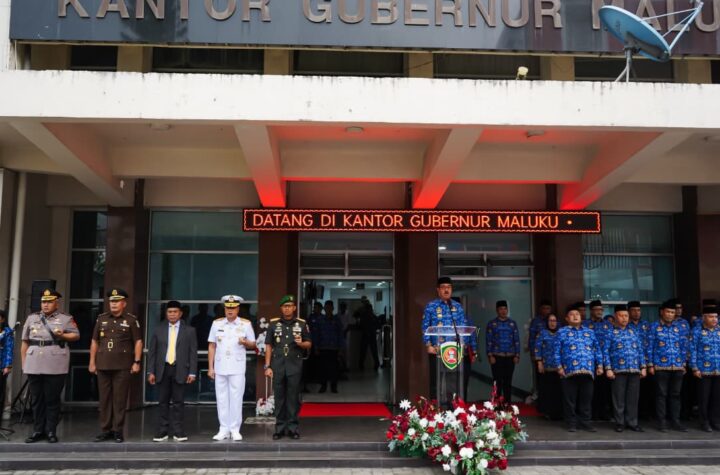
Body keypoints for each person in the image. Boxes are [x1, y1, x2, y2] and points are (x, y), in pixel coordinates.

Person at [20, 290, 79, 443]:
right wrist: (24, 363)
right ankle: (38, 430)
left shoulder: (65, 318)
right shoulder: (32, 318)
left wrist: (62, 335)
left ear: (56, 303)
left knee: (52, 399)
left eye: (49, 302)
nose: (45, 305)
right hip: (34, 362)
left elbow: (75, 335)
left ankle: (51, 430)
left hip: (55, 363)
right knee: (36, 399)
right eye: (43, 302)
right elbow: (25, 341)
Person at [90, 288, 143, 443]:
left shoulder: (131, 320)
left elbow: (138, 342)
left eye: (117, 301)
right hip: (103, 364)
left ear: (124, 303)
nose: (113, 304)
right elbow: (94, 341)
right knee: (104, 399)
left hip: (122, 366)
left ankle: (117, 430)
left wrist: (137, 361)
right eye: (111, 301)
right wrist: (92, 362)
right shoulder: (101, 319)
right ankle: (105, 430)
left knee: (120, 399)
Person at [147, 301, 198, 442]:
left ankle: (178, 431)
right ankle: (162, 431)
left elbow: (193, 353)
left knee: (178, 402)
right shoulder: (158, 329)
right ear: (166, 313)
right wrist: (150, 371)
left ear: (180, 313)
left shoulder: (189, 330)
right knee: (162, 401)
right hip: (162, 369)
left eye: (175, 312)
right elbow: (152, 352)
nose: (172, 314)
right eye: (170, 312)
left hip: (180, 369)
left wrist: (192, 372)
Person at [208, 295, 256, 442]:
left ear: (238, 309)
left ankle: (235, 429)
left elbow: (253, 344)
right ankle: (223, 429)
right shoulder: (217, 324)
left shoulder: (245, 324)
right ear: (224, 309)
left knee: (236, 398)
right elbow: (212, 345)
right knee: (221, 398)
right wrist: (210, 367)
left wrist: (245, 342)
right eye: (228, 308)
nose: (230, 310)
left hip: (237, 367)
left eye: (233, 308)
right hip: (220, 366)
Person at [421, 277, 478, 403]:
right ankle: (435, 409)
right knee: (436, 382)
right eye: (443, 287)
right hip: (437, 350)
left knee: (452, 383)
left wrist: (463, 344)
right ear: (438, 290)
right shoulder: (431, 306)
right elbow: (425, 327)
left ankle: (453, 408)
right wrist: (428, 345)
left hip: (453, 351)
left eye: (449, 287)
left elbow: (463, 327)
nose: (446, 290)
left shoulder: (457, 307)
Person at [264, 295, 312, 440]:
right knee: (279, 398)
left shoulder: (301, 324)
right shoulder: (273, 324)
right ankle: (279, 428)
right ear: (281, 308)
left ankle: (292, 428)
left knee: (293, 398)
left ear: (294, 308)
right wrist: (267, 366)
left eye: (290, 306)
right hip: (278, 365)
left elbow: (309, 344)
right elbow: (268, 345)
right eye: (285, 306)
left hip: (294, 366)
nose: (287, 308)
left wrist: (301, 343)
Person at [554, 306, 603, 432]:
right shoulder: (562, 332)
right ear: (566, 318)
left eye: (577, 314)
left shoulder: (589, 332)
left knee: (586, 398)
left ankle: (585, 422)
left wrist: (600, 365)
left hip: (587, 370)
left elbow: (597, 349)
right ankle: (571, 423)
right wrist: (559, 367)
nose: (575, 316)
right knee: (570, 399)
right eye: (572, 314)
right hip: (568, 371)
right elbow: (556, 351)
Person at [647, 300, 689, 432]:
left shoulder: (679, 328)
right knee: (661, 395)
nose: (670, 314)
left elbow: (683, 347)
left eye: (672, 312)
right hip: (660, 366)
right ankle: (662, 422)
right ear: (662, 312)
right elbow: (649, 347)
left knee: (676, 395)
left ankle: (676, 421)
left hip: (677, 366)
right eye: (668, 312)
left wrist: (683, 364)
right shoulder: (654, 327)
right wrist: (650, 365)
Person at [604, 304, 647, 432]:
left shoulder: (634, 332)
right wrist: (608, 368)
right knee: (619, 398)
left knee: (633, 398)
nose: (624, 318)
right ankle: (620, 422)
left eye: (626, 316)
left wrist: (643, 366)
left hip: (634, 369)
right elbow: (605, 352)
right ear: (615, 316)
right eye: (621, 316)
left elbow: (640, 351)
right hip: (618, 370)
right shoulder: (610, 333)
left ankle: (632, 422)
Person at [690, 306, 720, 432]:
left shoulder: (719, 330)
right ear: (704, 318)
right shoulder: (697, 331)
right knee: (704, 398)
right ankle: (704, 422)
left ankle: (715, 421)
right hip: (703, 370)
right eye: (711, 317)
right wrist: (694, 367)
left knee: (717, 398)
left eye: (716, 317)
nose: (714, 319)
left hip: (718, 369)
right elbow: (692, 350)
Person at [486, 300, 520, 403]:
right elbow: (488, 340)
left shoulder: (512, 323)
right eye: (501, 309)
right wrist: (490, 355)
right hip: (497, 357)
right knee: (497, 382)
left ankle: (507, 404)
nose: (503, 311)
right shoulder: (492, 324)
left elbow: (516, 340)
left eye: (505, 309)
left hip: (510, 357)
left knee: (508, 381)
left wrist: (517, 355)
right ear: (497, 310)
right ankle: (497, 404)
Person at [586, 300, 612, 421]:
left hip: (606, 361)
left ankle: (604, 412)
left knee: (605, 389)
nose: (599, 312)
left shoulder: (608, 324)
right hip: (591, 361)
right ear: (591, 310)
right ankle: (593, 413)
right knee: (592, 389)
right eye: (597, 309)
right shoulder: (585, 324)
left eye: (601, 309)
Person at [533, 314, 562, 420]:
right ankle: (547, 412)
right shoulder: (542, 333)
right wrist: (539, 362)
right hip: (546, 366)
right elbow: (537, 348)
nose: (552, 323)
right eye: (550, 320)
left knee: (558, 391)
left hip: (559, 368)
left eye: (554, 320)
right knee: (547, 390)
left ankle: (558, 413)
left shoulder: (561, 333)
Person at [315, 300, 345, 393]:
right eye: (326, 307)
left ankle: (333, 386)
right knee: (323, 368)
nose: (328, 309)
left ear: (332, 308)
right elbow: (317, 334)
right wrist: (316, 347)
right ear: (324, 308)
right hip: (323, 347)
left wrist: (341, 348)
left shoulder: (337, 320)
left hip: (334, 348)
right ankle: (323, 386)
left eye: (329, 308)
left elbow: (340, 335)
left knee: (334, 369)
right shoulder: (320, 320)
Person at [527, 299, 552, 403]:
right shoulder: (536, 321)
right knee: (540, 377)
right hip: (540, 355)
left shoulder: (554, 320)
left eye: (548, 308)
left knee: (551, 379)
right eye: (544, 308)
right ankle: (540, 398)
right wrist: (533, 353)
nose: (546, 310)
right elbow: (532, 338)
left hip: (552, 356)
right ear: (540, 309)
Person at [356, 297, 380, 371]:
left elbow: (360, 325)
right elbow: (378, 325)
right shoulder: (373, 316)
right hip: (372, 335)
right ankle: (376, 364)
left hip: (366, 335)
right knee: (374, 351)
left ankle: (361, 365)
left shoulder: (363, 315)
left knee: (363, 351)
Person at [0, 310, 13, 419]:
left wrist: (7, 366)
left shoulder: (7, 332)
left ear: (3, 319)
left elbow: (9, 349)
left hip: (1, 365)